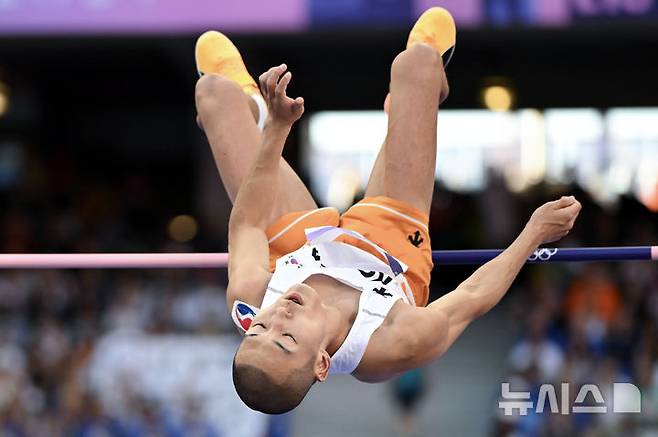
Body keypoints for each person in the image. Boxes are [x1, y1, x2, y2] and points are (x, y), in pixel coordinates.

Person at [193, 7, 582, 414]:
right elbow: (472, 297)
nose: (279, 316)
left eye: (259, 328)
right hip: (390, 243)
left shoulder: (251, 297)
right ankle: (416, 98)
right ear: (322, 363)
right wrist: (533, 233)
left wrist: (275, 129)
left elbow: (248, 223)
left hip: (294, 239)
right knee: (417, 64)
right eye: (287, 338)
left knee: (213, 94)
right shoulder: (393, 342)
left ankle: (250, 104)